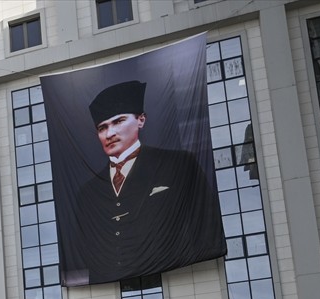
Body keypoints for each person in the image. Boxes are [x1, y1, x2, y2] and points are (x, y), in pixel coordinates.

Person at [67, 79, 223, 285]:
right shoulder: (87, 193)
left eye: (118, 121)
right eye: (102, 127)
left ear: (141, 120)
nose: (110, 134)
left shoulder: (178, 164)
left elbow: (206, 224)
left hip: (176, 280)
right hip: (113, 292)